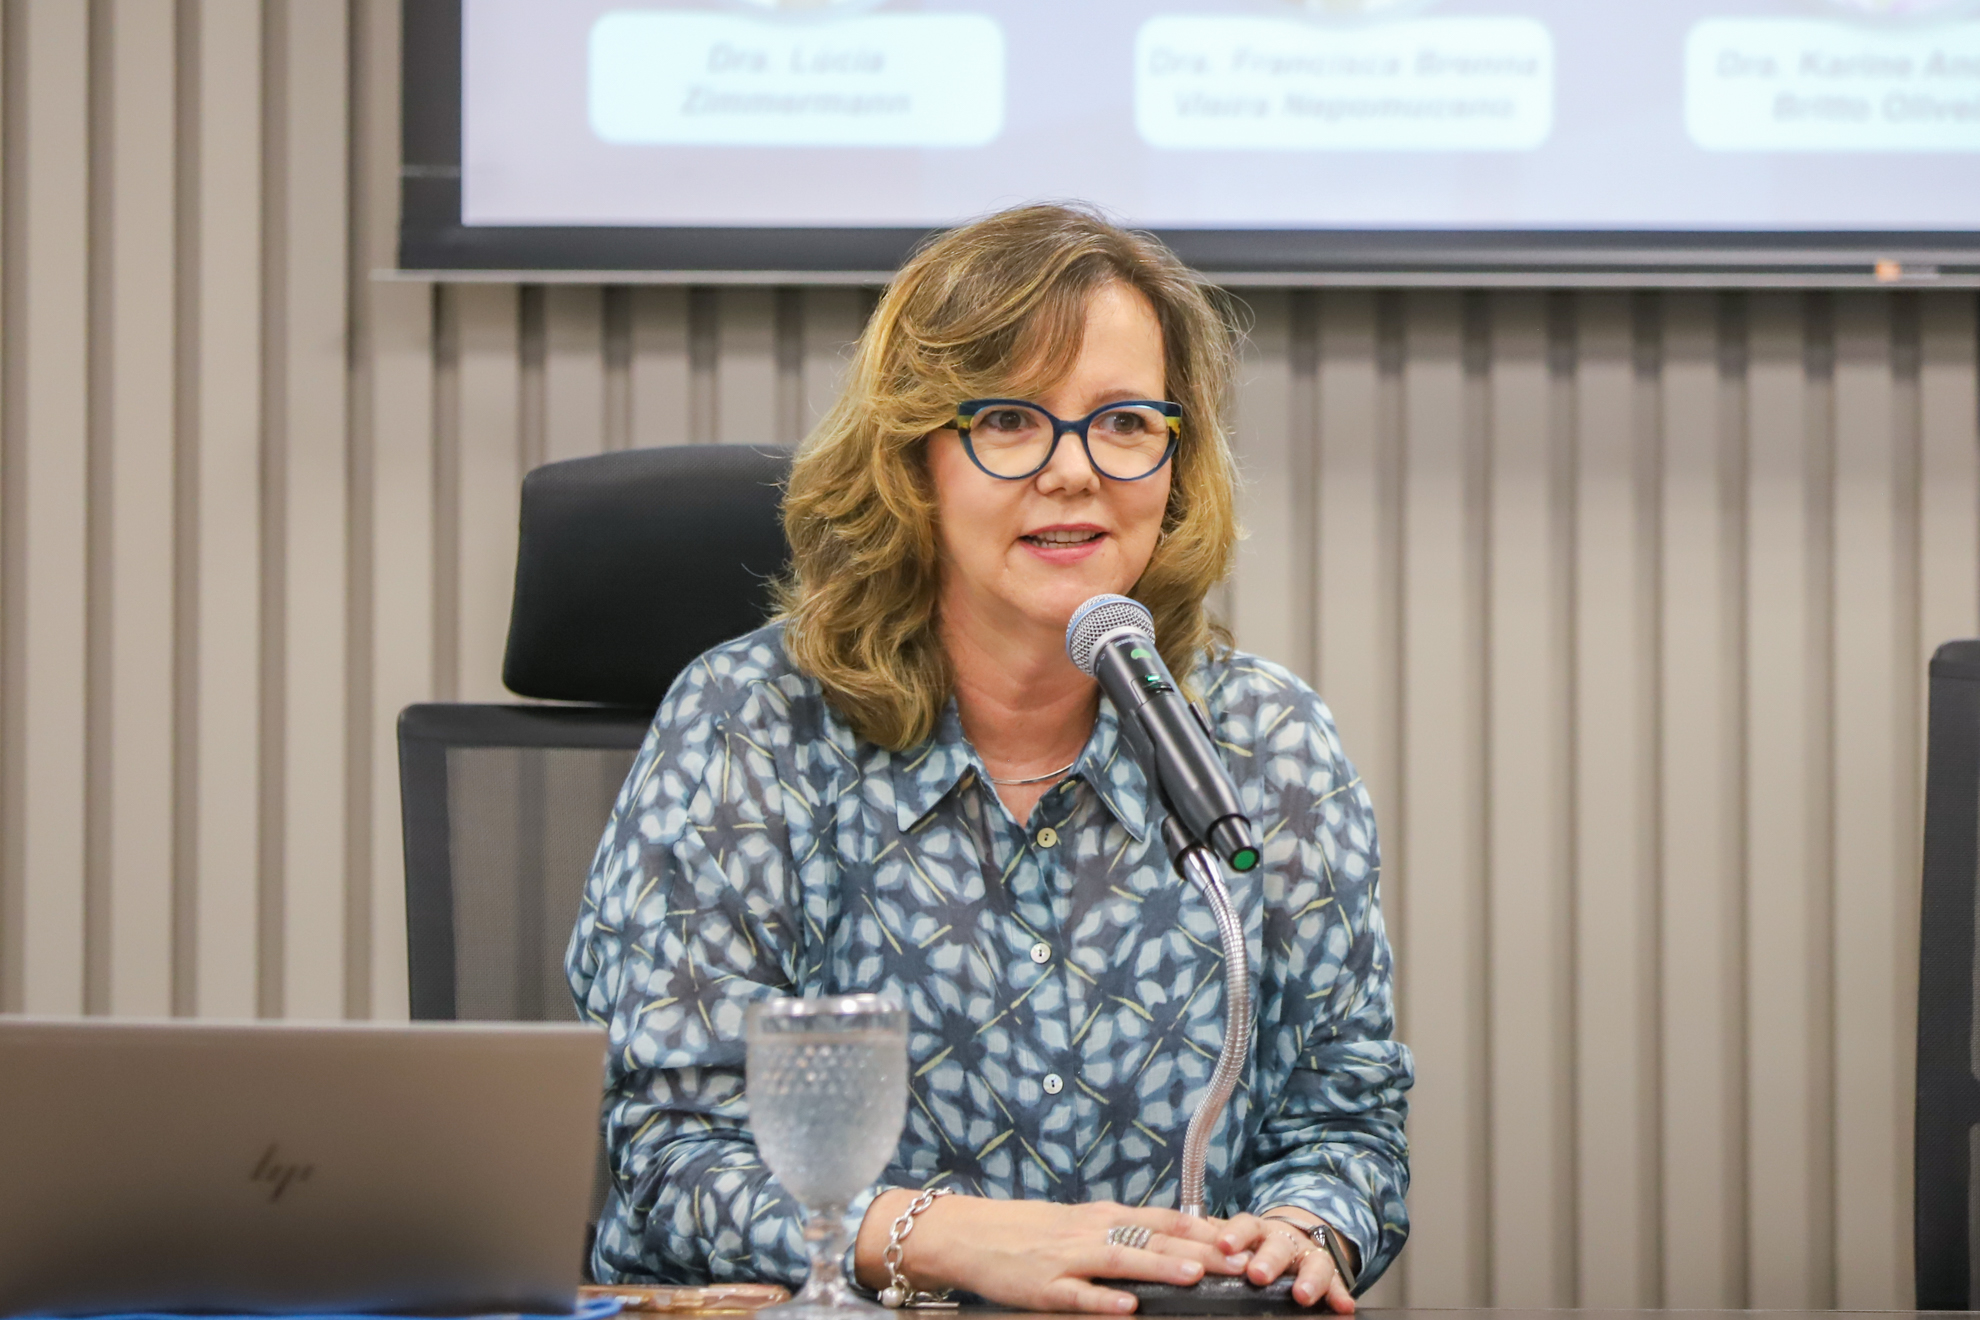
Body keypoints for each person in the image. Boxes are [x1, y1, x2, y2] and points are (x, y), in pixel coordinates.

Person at [566, 204, 1412, 1315]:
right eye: (1011, 421)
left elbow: (1345, 1116)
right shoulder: (749, 727)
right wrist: (947, 1240)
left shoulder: (1265, 747)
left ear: (1177, 460)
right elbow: (671, 1158)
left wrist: (1304, 1231)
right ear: (914, 459)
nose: (1075, 472)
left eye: (1124, 422)